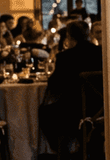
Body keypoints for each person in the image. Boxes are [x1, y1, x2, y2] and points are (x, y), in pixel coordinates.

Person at [40, 20, 103, 150]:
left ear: (69, 36)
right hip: (100, 107)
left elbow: (54, 84)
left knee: (44, 112)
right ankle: (87, 144)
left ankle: (61, 150)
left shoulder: (65, 57)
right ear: (88, 34)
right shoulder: (101, 52)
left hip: (74, 110)